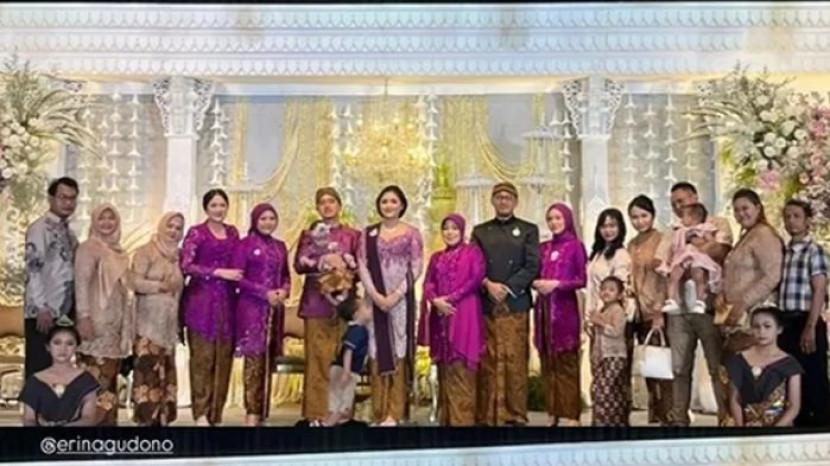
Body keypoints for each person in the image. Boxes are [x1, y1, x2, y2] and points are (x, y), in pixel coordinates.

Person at [662, 181, 732, 427]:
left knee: (716, 365)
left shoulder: (717, 223)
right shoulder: (673, 230)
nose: (678, 207)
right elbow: (663, 261)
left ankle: (725, 417)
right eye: (674, 204)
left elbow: (721, 252)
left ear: (695, 197)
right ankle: (679, 418)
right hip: (679, 310)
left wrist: (695, 244)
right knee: (680, 368)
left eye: (682, 201)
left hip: (708, 305)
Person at [471, 182, 540, 426]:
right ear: (492, 201)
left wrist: (508, 287)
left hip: (516, 304)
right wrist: (488, 284)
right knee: (488, 359)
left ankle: (515, 414)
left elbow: (532, 265)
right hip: (487, 304)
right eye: (498, 197)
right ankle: (489, 414)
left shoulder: (528, 230)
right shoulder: (480, 231)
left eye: (507, 197)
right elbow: (474, 265)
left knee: (515, 359)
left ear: (515, 201)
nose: (503, 201)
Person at [357, 185, 424, 426]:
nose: (388, 205)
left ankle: (395, 413)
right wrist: (376, 295)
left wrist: (395, 295)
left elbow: (416, 267)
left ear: (402, 205)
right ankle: (379, 411)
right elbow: (362, 265)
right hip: (375, 301)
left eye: (393, 201)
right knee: (376, 350)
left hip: (401, 301)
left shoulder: (412, 233)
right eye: (384, 201)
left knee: (399, 349)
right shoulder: (368, 234)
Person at [294, 187, 361, 422]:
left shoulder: (353, 235)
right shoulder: (309, 234)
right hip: (316, 305)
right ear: (317, 207)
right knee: (317, 362)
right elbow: (299, 265)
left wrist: (344, 268)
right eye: (322, 202)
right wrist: (321, 262)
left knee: (344, 362)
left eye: (331, 201)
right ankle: (316, 415)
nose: (327, 205)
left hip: (345, 308)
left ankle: (341, 414)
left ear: (339, 205)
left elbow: (362, 269)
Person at [180, 189, 242, 426]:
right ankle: (201, 414)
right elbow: (186, 265)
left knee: (223, 360)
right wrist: (217, 272)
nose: (218, 209)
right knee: (202, 359)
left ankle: (216, 415)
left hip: (227, 304)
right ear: (206, 208)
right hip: (201, 304)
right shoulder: (197, 232)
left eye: (222, 205)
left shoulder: (233, 232)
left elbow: (240, 263)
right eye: (214, 205)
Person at [419, 213, 486, 426]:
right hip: (441, 315)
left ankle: (463, 424)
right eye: (446, 228)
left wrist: (451, 298)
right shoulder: (436, 257)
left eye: (454, 228)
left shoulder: (472, 252)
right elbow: (428, 283)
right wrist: (435, 300)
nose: (450, 232)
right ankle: (447, 421)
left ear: (462, 230)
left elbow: (476, 278)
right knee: (445, 368)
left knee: (462, 366)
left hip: (464, 313)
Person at [74, 203, 134, 426]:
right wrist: (83, 317)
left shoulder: (119, 251)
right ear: (94, 221)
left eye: (111, 218)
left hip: (114, 325)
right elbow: (81, 284)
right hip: (95, 323)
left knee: (109, 383)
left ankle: (108, 430)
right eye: (102, 218)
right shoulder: (88, 248)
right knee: (94, 381)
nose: (107, 223)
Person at [231, 203, 291, 426]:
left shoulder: (280, 246)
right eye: (263, 218)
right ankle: (252, 414)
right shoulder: (244, 244)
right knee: (254, 361)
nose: (268, 222)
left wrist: (284, 291)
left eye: (271, 218)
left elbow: (286, 275)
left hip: (274, 310)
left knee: (268, 360)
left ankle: (263, 413)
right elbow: (239, 278)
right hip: (251, 308)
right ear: (255, 220)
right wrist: (264, 292)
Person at [531, 203, 587, 427]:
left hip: (565, 311)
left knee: (567, 362)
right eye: (550, 219)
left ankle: (572, 414)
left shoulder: (575, 246)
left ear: (567, 220)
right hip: (543, 311)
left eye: (558, 218)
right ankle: (552, 412)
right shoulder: (543, 248)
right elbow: (533, 274)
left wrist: (556, 284)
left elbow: (581, 279)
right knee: (548, 362)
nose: (554, 223)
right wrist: (537, 283)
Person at [777, 199, 830, 426]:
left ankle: (820, 428)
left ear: (807, 220)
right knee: (792, 378)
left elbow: (819, 289)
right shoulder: (784, 252)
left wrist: (810, 326)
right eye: (787, 217)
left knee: (813, 377)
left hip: (806, 319)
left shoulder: (814, 251)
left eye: (797, 216)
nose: (791, 221)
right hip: (786, 322)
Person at [130, 212, 185, 426]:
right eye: (170, 226)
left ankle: (163, 420)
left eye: (178, 228)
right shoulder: (145, 252)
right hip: (147, 324)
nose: (173, 231)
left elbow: (180, 290)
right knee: (147, 372)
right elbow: (134, 282)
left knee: (166, 373)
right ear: (161, 226)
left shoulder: (178, 256)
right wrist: (160, 286)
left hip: (168, 325)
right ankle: (145, 422)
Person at [23, 177, 79, 380]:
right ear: (51, 198)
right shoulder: (39, 229)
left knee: (59, 369)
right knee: (40, 368)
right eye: (63, 197)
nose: (68, 203)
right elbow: (33, 269)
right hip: (43, 313)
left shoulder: (68, 232)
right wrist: (41, 307)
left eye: (72, 198)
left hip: (63, 311)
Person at [627, 194, 674, 425]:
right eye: (634, 217)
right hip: (638, 312)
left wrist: (658, 311)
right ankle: (654, 416)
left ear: (653, 215)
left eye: (643, 215)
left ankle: (669, 416)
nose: (639, 221)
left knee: (662, 366)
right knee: (648, 365)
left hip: (657, 311)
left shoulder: (662, 240)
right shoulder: (632, 244)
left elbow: (665, 278)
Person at [584, 208, 631, 410]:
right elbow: (591, 288)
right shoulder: (597, 253)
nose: (608, 230)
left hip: (610, 316)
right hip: (595, 317)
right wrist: (589, 317)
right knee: (598, 373)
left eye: (612, 225)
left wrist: (600, 317)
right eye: (604, 226)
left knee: (611, 380)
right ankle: (601, 417)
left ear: (620, 228)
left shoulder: (621, 255)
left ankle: (615, 419)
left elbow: (616, 288)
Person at [726, 306, 803, 427]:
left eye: (767, 326)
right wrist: (741, 429)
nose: (761, 332)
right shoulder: (739, 360)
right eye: (756, 327)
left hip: (780, 431)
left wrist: (774, 432)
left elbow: (794, 406)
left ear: (779, 329)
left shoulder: (789, 363)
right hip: (747, 429)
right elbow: (734, 400)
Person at [19, 320, 98, 426]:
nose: (63, 349)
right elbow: (29, 419)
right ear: (48, 347)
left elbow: (88, 419)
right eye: (57, 343)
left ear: (76, 348)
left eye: (69, 344)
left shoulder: (86, 380)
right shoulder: (34, 381)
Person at [313, 295, 371, 427]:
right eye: (366, 307)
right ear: (356, 314)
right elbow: (348, 352)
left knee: (336, 404)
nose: (370, 310)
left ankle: (325, 423)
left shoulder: (357, 329)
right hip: (344, 371)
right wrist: (346, 371)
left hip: (342, 370)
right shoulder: (358, 331)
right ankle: (326, 426)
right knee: (342, 406)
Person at [659, 203, 721, 315]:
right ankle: (671, 299)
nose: (681, 219)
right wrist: (669, 257)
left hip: (697, 256)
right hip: (682, 256)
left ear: (693, 218)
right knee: (674, 275)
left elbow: (712, 243)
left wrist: (702, 243)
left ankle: (700, 301)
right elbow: (673, 247)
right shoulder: (679, 231)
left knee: (698, 276)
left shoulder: (703, 229)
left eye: (684, 216)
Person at [588, 276, 631, 427]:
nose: (606, 292)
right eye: (604, 289)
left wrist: (600, 322)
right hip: (602, 356)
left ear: (619, 295)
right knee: (599, 389)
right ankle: (601, 421)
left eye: (611, 290)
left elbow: (617, 332)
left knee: (608, 391)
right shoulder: (602, 310)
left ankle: (611, 421)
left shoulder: (618, 310)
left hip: (614, 356)